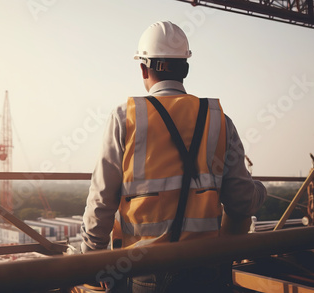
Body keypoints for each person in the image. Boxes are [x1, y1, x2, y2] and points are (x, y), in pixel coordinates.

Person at [80, 21, 267, 292]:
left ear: (143, 68)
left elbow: (101, 201)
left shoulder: (125, 117)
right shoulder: (220, 121)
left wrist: (89, 259)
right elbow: (241, 202)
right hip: (205, 271)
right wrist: (261, 191)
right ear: (186, 69)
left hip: (143, 272)